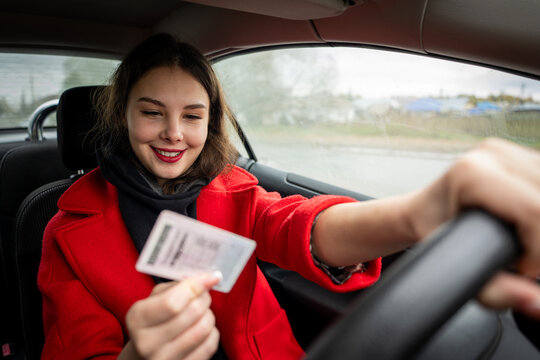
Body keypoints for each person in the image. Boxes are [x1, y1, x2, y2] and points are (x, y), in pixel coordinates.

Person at [37, 32, 540, 360]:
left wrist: (417, 214)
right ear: (121, 115)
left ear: (209, 122)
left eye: (192, 115)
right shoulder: (67, 234)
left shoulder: (233, 191)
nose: (174, 132)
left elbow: (300, 226)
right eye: (152, 112)